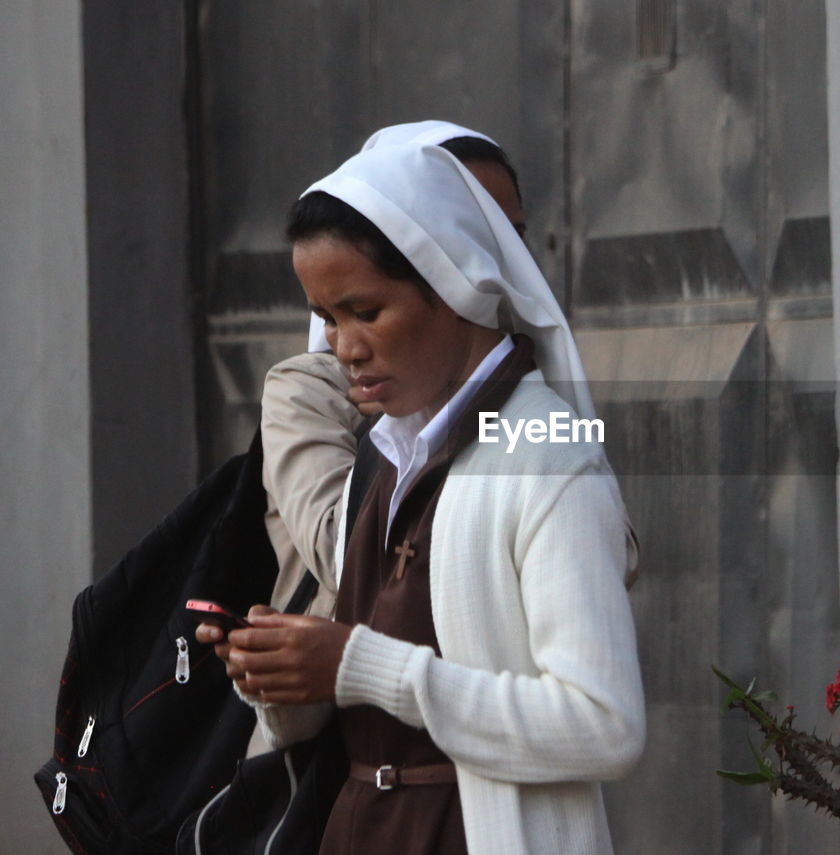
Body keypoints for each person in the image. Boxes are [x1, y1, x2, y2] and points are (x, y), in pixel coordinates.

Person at [197, 126, 645, 854]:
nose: (343, 348)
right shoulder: (382, 455)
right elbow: (363, 702)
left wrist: (358, 662)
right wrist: (283, 669)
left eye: (365, 311)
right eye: (327, 318)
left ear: (454, 281)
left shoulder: (546, 452)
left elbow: (605, 725)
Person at [260, 122, 529, 631]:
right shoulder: (307, 390)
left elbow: (614, 550)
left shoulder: (526, 383)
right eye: (469, 233)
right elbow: (347, 561)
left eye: (511, 237)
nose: (497, 261)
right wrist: (405, 421)